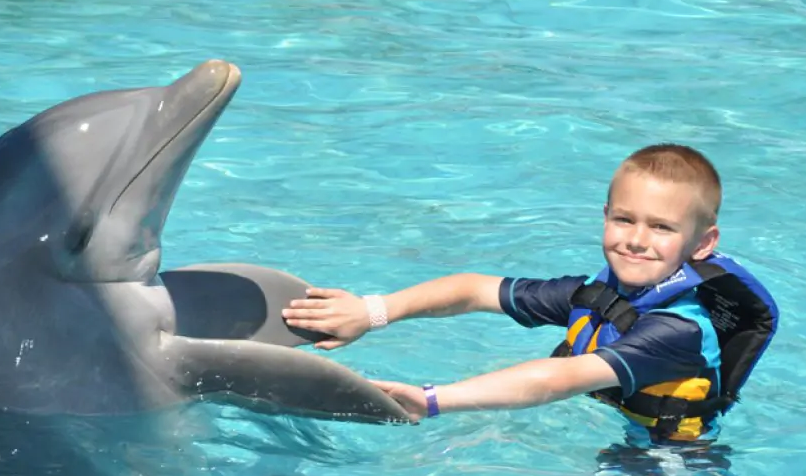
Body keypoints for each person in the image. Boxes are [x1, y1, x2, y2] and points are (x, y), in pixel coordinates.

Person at [281, 143, 779, 446]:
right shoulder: (598, 294)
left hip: (673, 468)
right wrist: (372, 311)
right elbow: (474, 289)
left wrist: (434, 401)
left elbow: (560, 377)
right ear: (604, 215)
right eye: (624, 219)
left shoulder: (677, 330)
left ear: (703, 243)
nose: (635, 239)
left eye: (662, 227)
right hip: (621, 434)